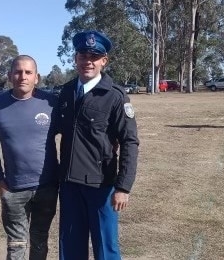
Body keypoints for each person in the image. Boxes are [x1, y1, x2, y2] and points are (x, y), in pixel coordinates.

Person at [57, 30, 139, 260]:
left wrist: (123, 187)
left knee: (105, 248)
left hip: (101, 185)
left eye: (94, 56)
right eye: (83, 55)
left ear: (104, 61)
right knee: (70, 246)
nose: (88, 61)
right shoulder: (65, 92)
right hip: (70, 185)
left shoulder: (115, 96)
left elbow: (129, 142)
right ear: (75, 58)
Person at [0, 55, 59, 260]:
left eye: (28, 72)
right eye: (17, 72)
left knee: (39, 240)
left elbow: (75, 135)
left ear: (37, 77)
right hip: (14, 188)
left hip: (47, 187)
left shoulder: (51, 102)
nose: (22, 76)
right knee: (16, 244)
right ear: (9, 76)